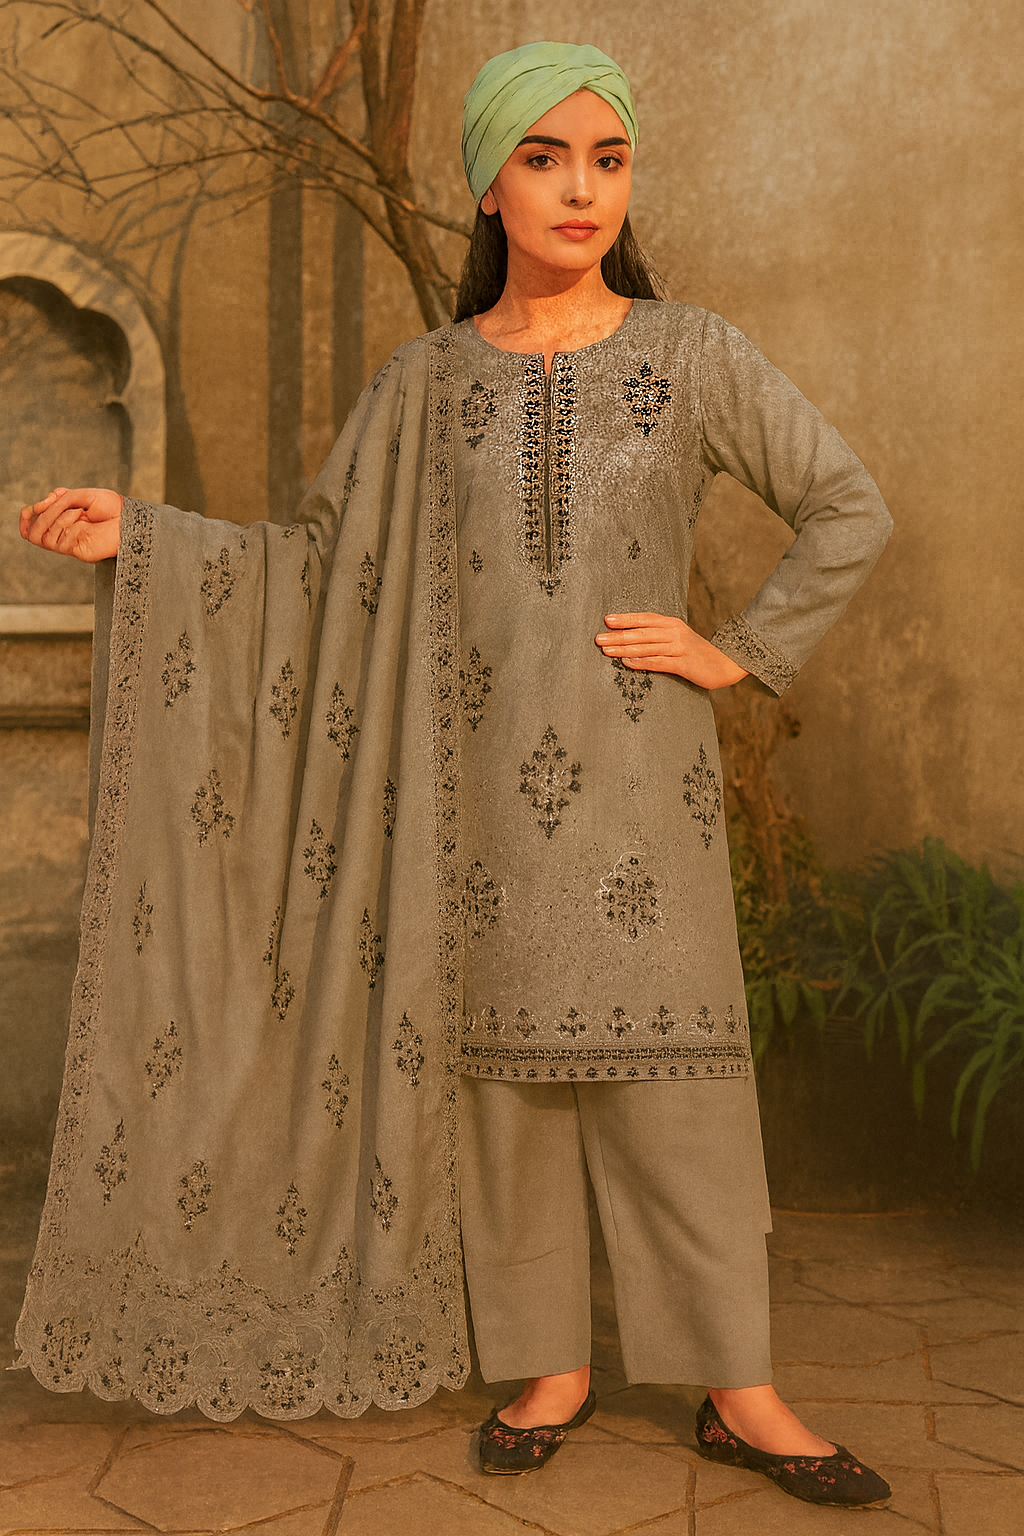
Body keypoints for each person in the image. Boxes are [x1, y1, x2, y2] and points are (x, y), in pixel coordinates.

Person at [18, 40, 892, 1510]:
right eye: (546, 158)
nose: (581, 190)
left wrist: (741, 650)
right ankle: (547, 1363)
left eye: (607, 160)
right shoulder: (423, 383)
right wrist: (153, 539)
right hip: (467, 797)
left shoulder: (695, 357)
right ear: (490, 181)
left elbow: (846, 508)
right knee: (503, 1087)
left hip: (640, 793)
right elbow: (321, 574)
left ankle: (740, 1389)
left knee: (676, 1081)